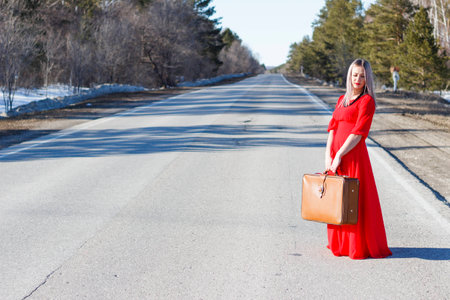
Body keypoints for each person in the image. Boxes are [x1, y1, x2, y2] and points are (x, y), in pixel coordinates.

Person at [325, 58, 392, 259]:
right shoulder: (341, 100)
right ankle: (340, 243)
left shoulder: (367, 101)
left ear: (367, 78)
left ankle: (356, 244)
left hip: (353, 157)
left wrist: (339, 155)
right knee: (337, 200)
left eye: (362, 76)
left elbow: (358, 133)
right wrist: (328, 155)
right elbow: (332, 127)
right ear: (349, 76)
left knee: (353, 200)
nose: (358, 79)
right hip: (336, 156)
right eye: (355, 75)